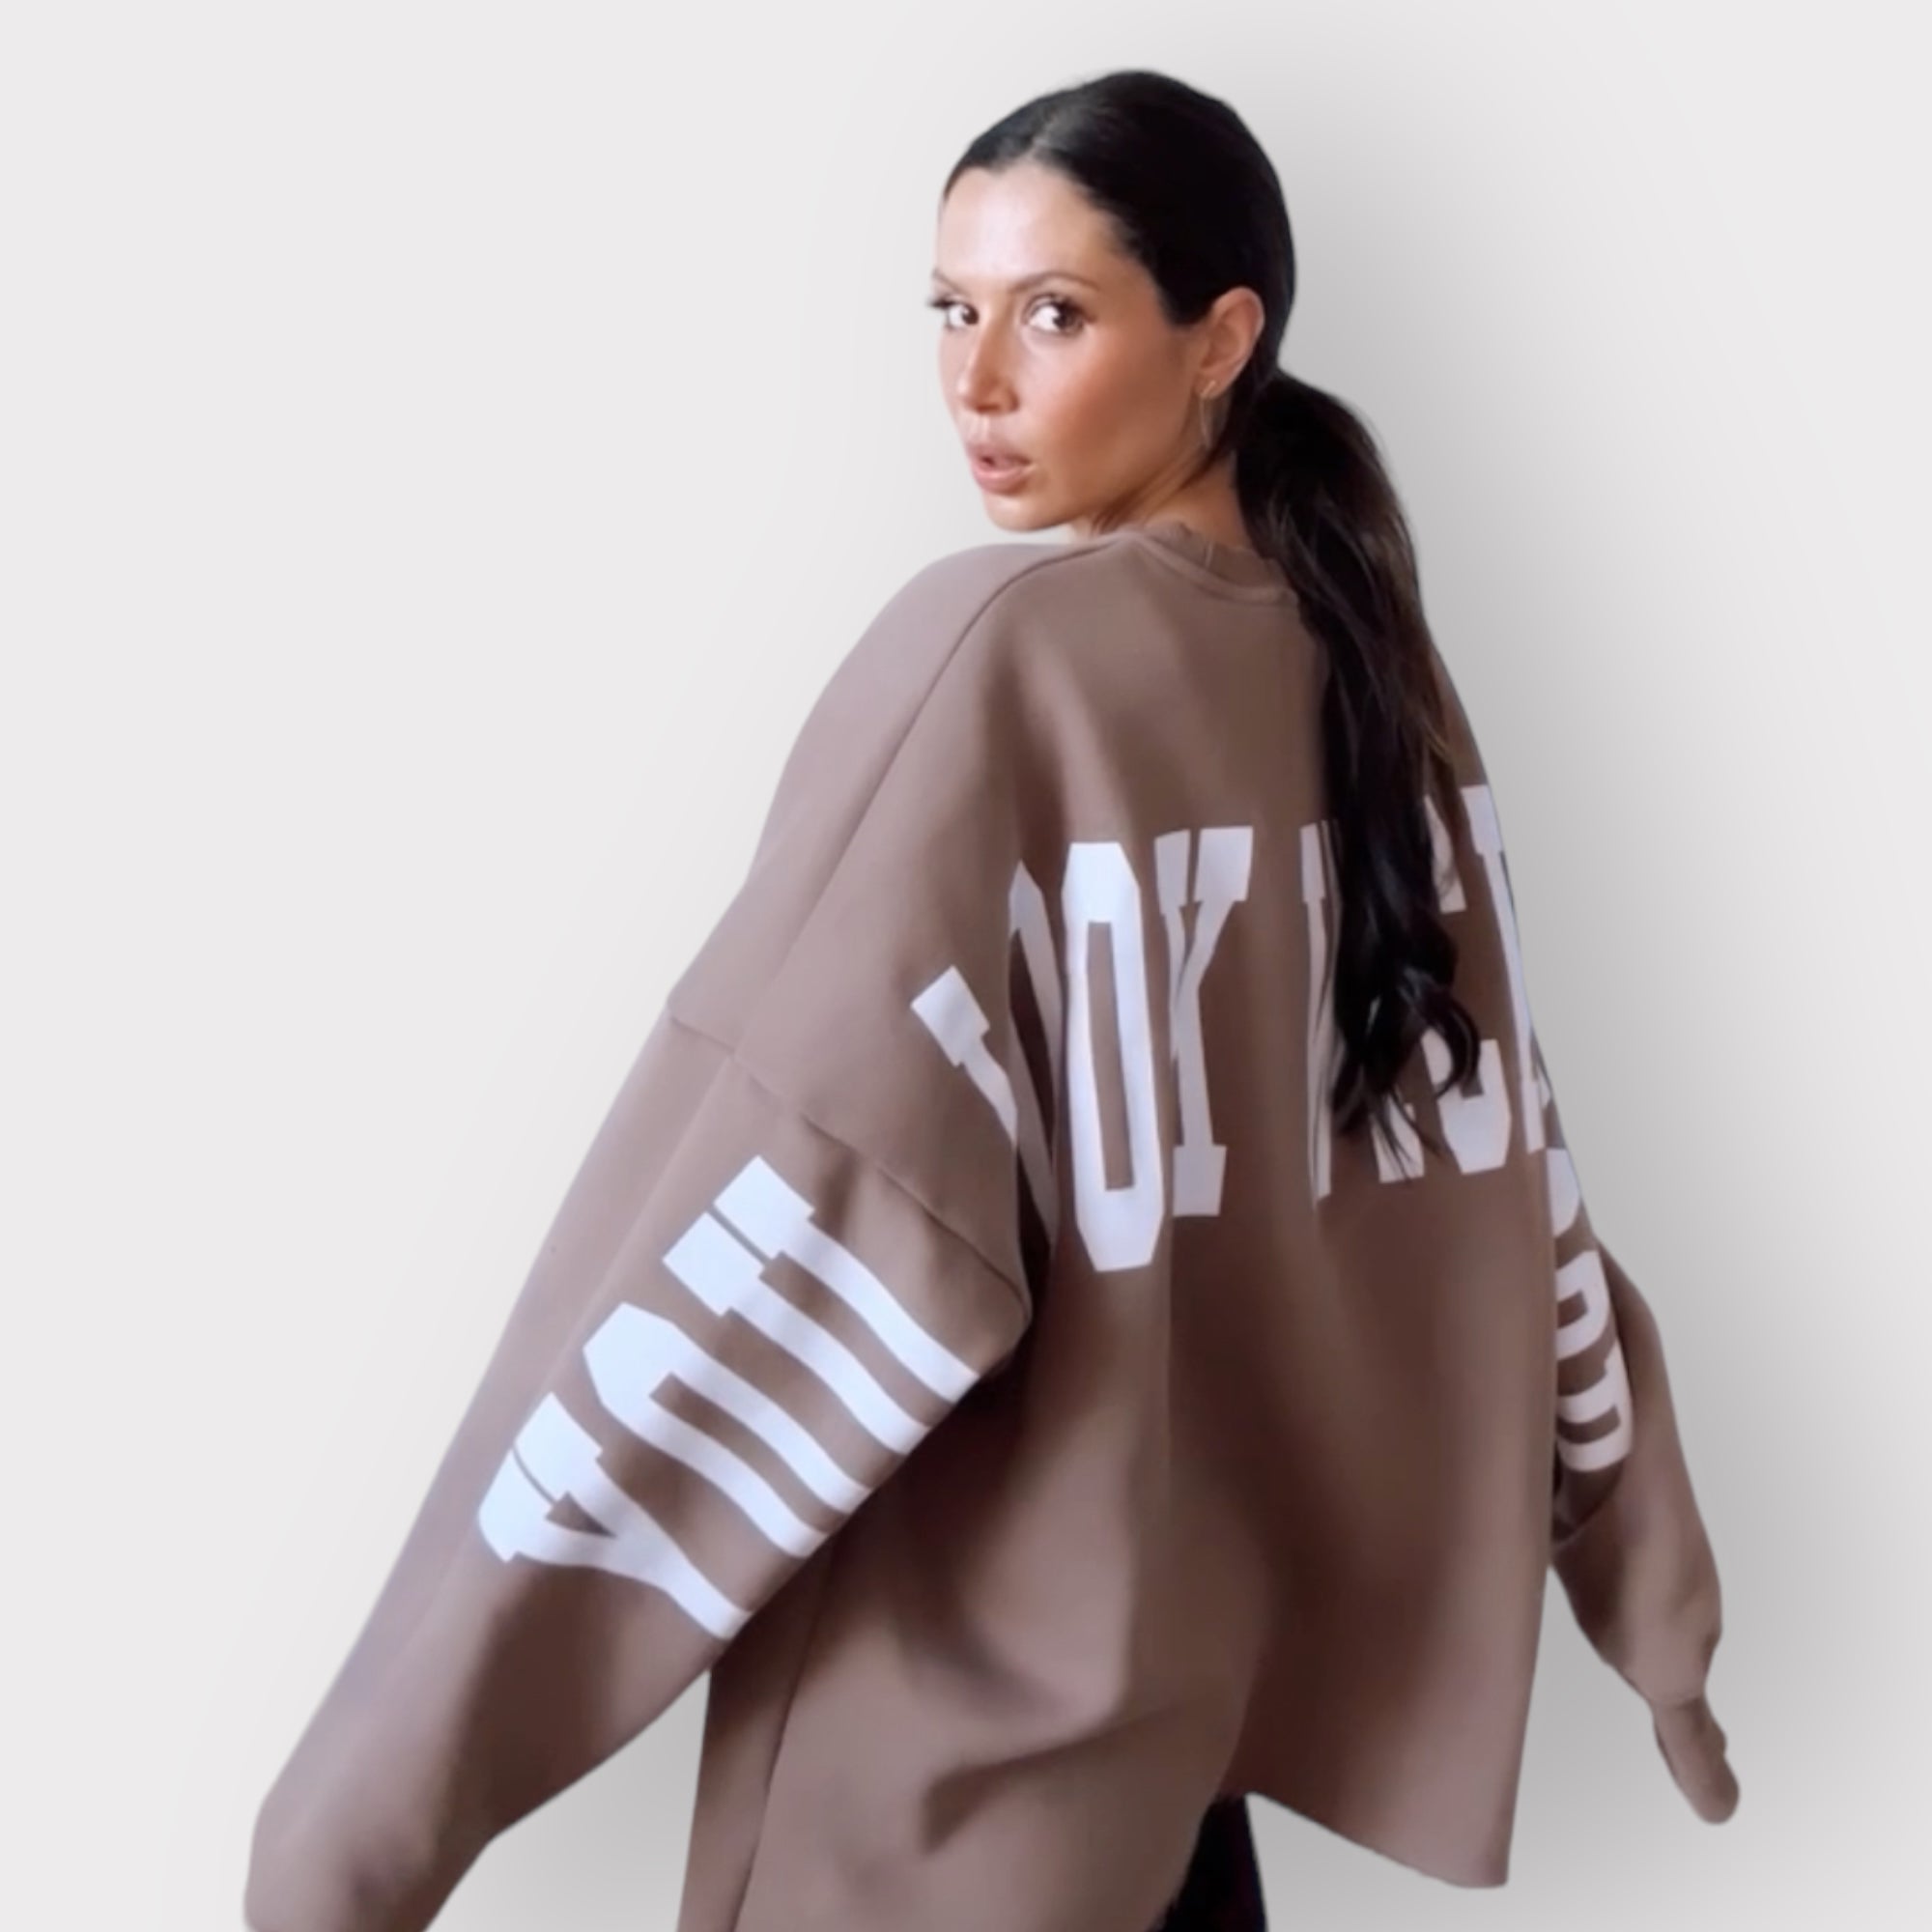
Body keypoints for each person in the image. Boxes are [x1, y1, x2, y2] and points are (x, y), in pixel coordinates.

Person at [243, 69, 1738, 1932]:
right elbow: (1518, 1184)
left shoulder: (1003, 662)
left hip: (949, 1800)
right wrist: (1645, 1582)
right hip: (1184, 1784)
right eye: (951, 309)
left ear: (1222, 339)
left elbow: (765, 1223)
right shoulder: (1377, 674)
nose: (978, 382)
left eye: (1055, 315)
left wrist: (371, 1812)